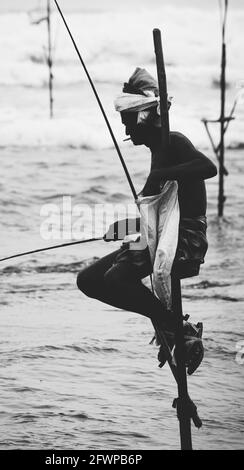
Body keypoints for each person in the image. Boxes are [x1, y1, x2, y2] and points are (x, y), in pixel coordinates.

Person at [77, 68, 217, 374]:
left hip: (185, 240)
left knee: (116, 278)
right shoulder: (156, 152)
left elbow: (209, 168)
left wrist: (161, 175)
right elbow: (159, 215)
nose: (125, 128)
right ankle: (171, 326)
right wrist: (124, 228)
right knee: (87, 280)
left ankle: (175, 328)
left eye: (128, 120)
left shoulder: (174, 143)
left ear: (143, 116)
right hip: (161, 234)